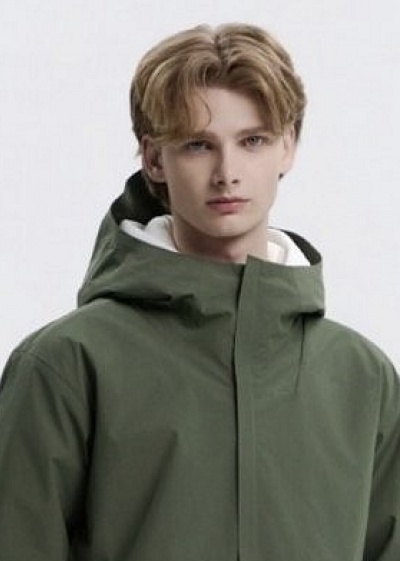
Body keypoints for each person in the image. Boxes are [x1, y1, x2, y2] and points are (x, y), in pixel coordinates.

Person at [0, 23, 399, 561]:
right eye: (197, 145)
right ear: (154, 159)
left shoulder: (363, 378)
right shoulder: (67, 364)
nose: (227, 173)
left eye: (252, 141)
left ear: (288, 147)